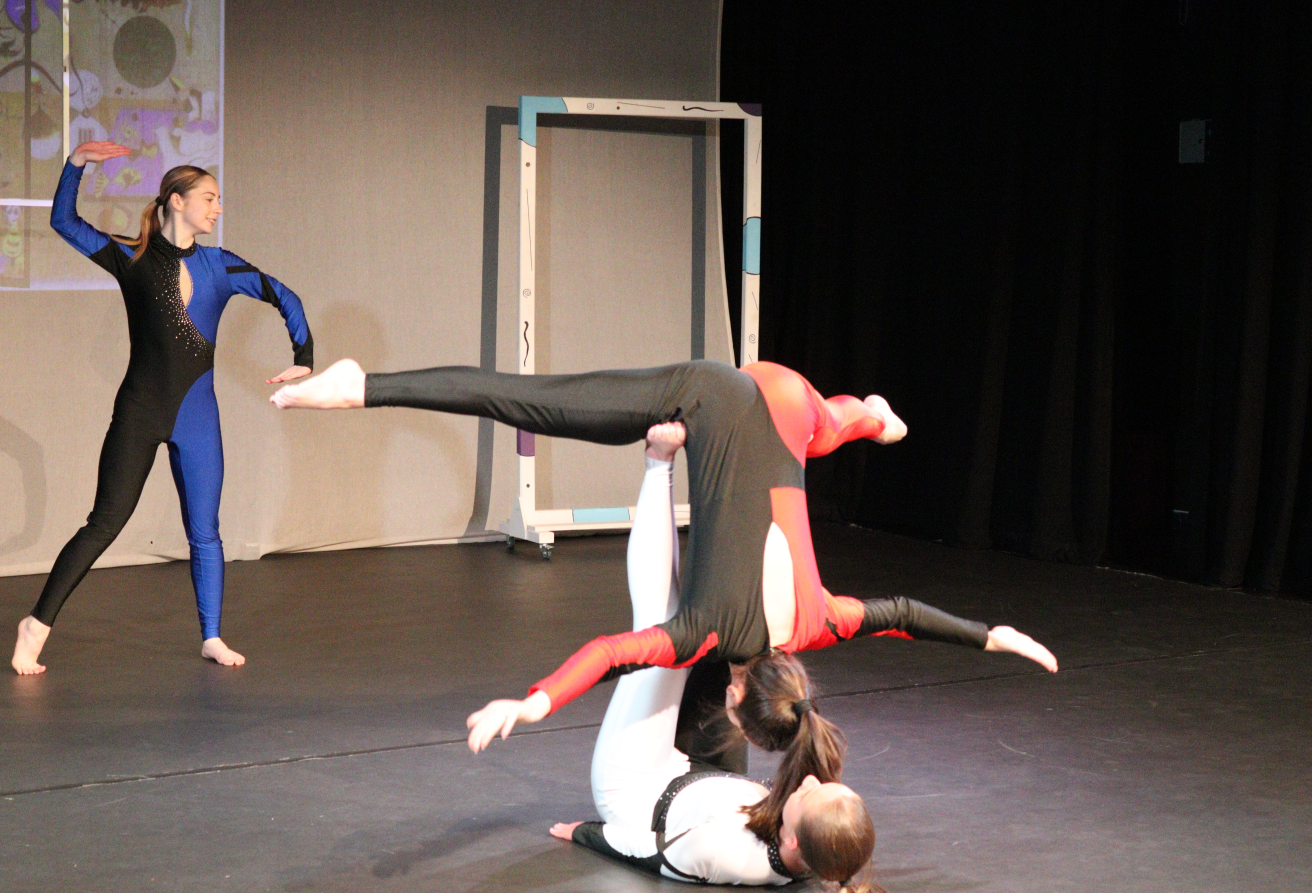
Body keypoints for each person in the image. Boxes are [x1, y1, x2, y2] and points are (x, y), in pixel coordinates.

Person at [267, 358, 1057, 751]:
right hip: (713, 394)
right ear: (735, 698)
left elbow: (903, 614)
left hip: (789, 403)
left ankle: (872, 418)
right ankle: (360, 385)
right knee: (537, 405)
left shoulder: (822, 623)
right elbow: (609, 653)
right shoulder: (705, 631)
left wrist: (993, 635)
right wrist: (530, 704)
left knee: (829, 428)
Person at [10, 141, 315, 674]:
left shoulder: (222, 266)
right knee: (105, 522)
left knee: (206, 531)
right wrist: (76, 163)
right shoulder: (133, 257)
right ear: (177, 200)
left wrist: (304, 360)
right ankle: (35, 625)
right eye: (209, 198)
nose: (218, 207)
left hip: (197, 417)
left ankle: (212, 636)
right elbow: (63, 221)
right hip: (140, 411)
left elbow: (285, 295)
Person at [548, 425, 882, 887]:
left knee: (663, 629)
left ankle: (659, 462)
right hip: (700, 774)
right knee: (728, 640)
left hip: (635, 785)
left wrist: (584, 833)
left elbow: (649, 851)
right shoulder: (816, 836)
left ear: (791, 842)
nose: (811, 783)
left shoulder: (729, 855)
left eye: (809, 795)